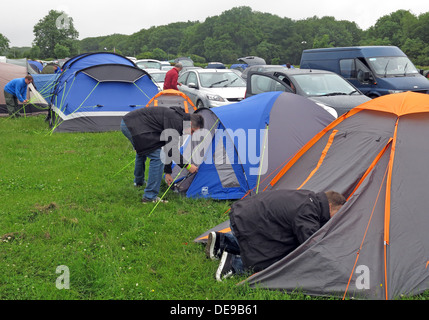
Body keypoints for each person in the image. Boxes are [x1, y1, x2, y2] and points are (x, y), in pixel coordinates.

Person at [205, 189, 346, 281]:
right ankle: (233, 263)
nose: (335, 218)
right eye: (337, 213)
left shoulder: (307, 197)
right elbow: (311, 245)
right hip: (247, 224)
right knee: (273, 260)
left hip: (241, 215)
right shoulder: (308, 211)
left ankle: (221, 241)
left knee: (280, 240)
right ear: (330, 206)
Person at [120, 106, 204, 203]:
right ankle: (149, 197)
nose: (191, 134)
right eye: (193, 131)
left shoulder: (179, 118)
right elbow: (172, 151)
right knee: (158, 158)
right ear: (189, 124)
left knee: (143, 151)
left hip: (130, 122)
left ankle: (139, 182)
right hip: (133, 126)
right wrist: (188, 166)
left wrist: (167, 172)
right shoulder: (176, 122)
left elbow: (168, 148)